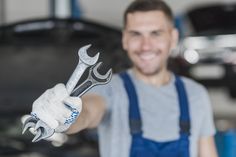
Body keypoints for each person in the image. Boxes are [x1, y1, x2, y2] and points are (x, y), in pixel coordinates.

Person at [29, 0, 218, 157]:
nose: (146, 46)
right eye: (136, 34)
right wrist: (66, 118)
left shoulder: (195, 94)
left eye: (156, 33)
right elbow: (87, 112)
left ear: (173, 37)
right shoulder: (111, 89)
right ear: (125, 40)